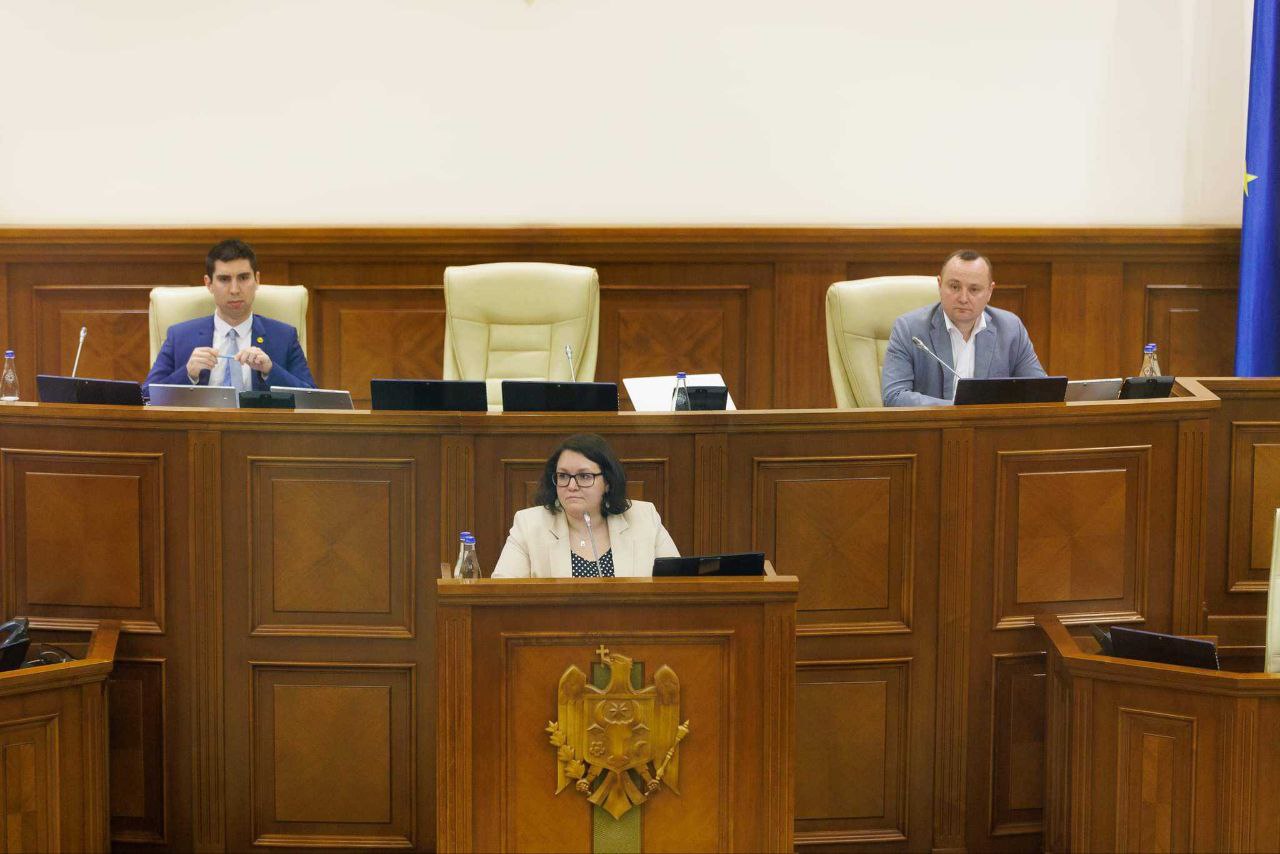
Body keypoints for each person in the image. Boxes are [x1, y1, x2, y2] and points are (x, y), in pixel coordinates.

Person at [492, 433, 680, 578]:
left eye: (584, 476)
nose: (571, 486)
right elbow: (503, 593)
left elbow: (677, 585)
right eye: (563, 476)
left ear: (607, 482)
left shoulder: (645, 517)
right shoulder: (529, 524)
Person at [144, 239, 315, 392]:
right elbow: (146, 397)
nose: (234, 290)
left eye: (243, 278)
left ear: (257, 280)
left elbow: (311, 399)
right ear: (209, 284)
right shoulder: (179, 336)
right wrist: (188, 374)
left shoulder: (284, 336)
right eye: (224, 279)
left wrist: (270, 371)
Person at [881, 249, 1045, 406]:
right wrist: (959, 409)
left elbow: (1041, 392)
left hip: (991, 425)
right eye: (954, 287)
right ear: (940, 285)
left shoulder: (1010, 329)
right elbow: (894, 397)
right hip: (932, 425)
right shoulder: (909, 329)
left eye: (974, 289)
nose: (963, 298)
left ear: (990, 291)